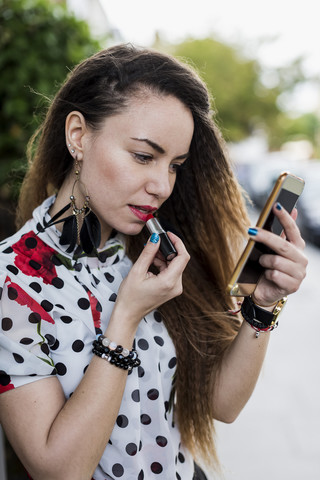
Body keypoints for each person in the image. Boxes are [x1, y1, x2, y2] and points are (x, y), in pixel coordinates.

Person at [0, 43, 307, 480]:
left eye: (175, 165)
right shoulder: (13, 280)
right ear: (78, 136)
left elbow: (222, 404)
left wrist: (262, 307)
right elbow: (60, 470)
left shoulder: (155, 253)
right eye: (144, 156)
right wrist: (125, 317)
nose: (162, 185)